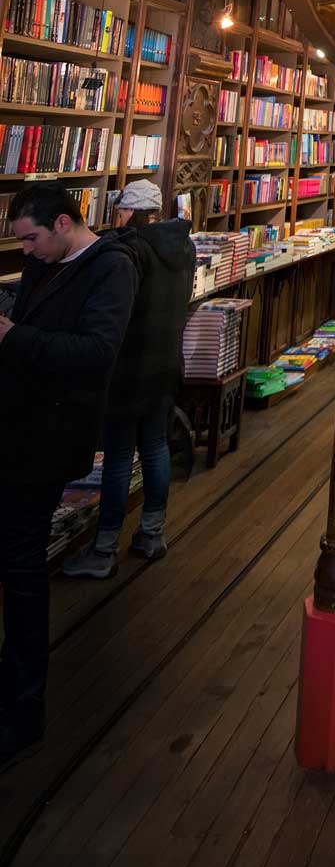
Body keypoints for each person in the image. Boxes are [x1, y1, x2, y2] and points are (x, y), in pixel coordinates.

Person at [0, 183, 136, 771]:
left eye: (30, 239)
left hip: (50, 440)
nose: (24, 252)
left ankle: (24, 706)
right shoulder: (44, 264)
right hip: (16, 427)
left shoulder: (110, 269)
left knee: (23, 563)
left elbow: (95, 354)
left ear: (62, 223)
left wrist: (10, 336)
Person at [63, 179, 196, 580]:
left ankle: (104, 548)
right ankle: (152, 533)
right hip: (165, 363)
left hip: (128, 367)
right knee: (155, 445)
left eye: (120, 210)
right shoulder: (182, 247)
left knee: (119, 456)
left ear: (129, 211)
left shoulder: (129, 253)